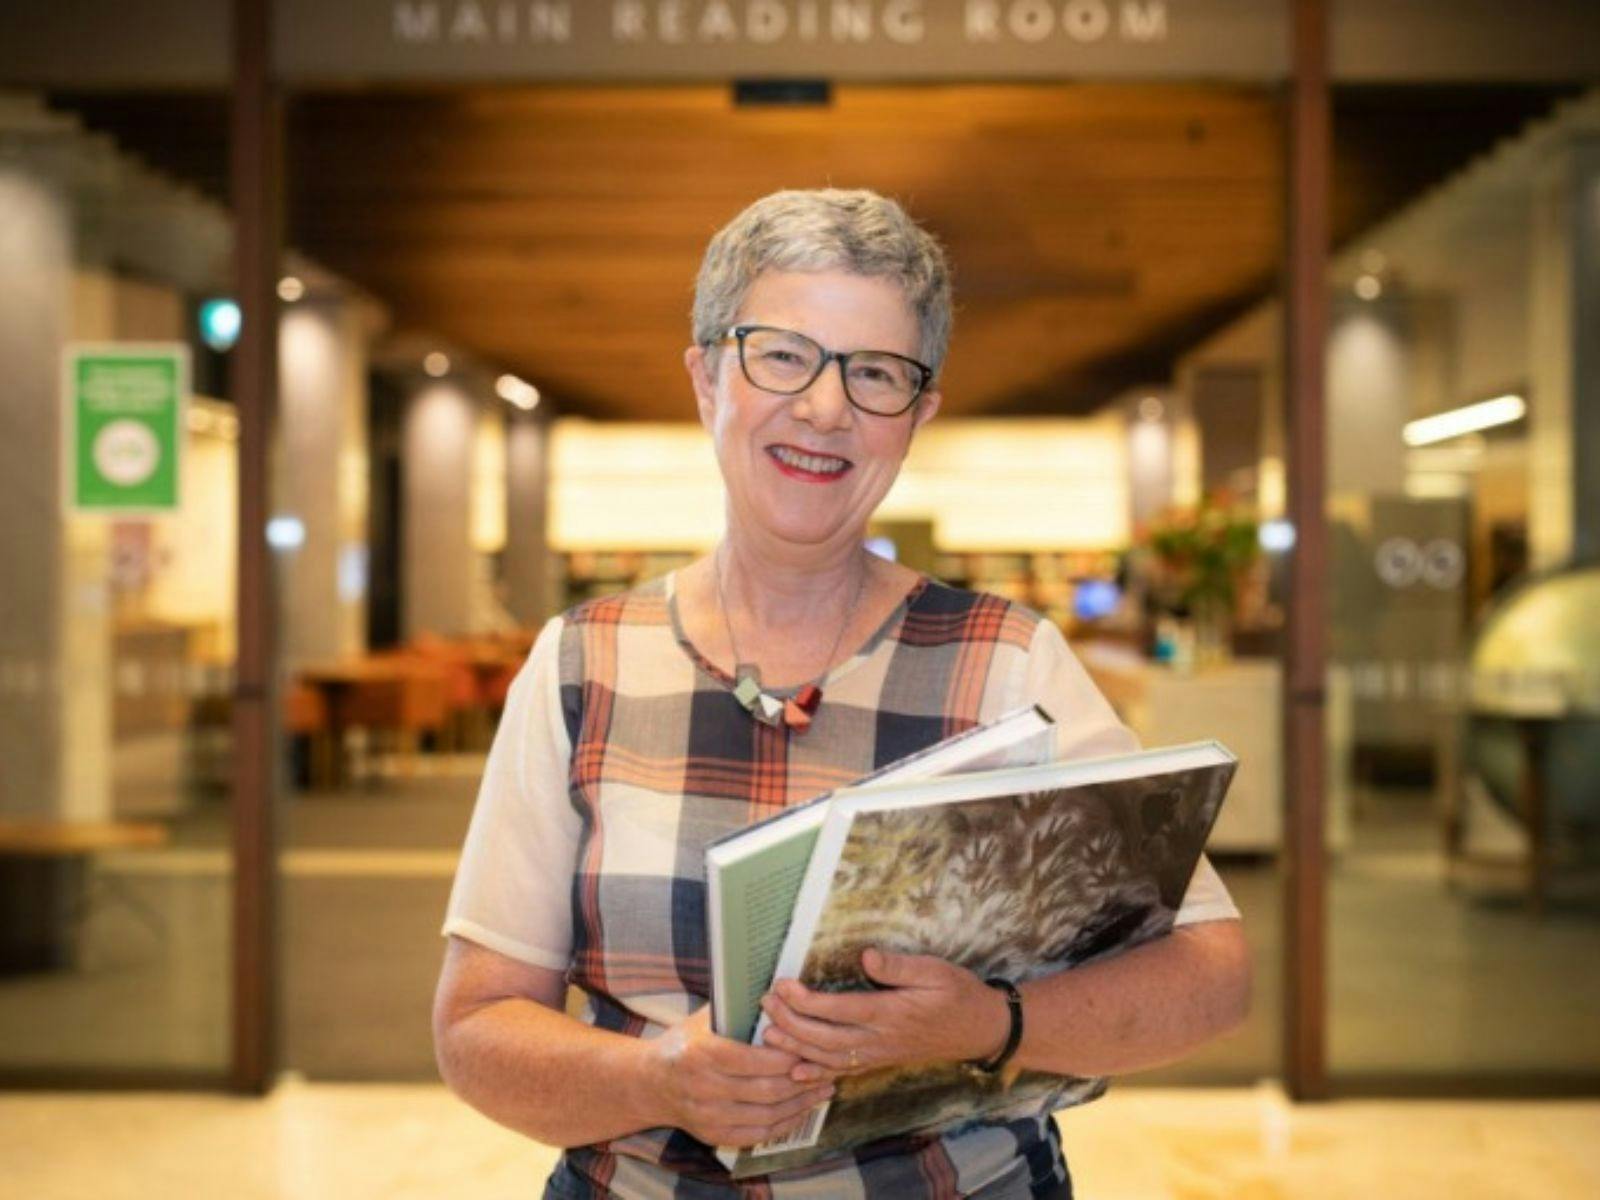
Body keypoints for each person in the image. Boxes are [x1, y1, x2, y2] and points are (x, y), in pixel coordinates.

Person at [433, 188, 1251, 1199]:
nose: (826, 408)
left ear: (918, 415)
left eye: (875, 374)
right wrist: (655, 1077)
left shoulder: (1009, 665)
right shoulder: (580, 665)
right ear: (705, 376)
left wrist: (993, 1025)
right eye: (782, 354)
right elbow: (475, 1028)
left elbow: (1212, 972)